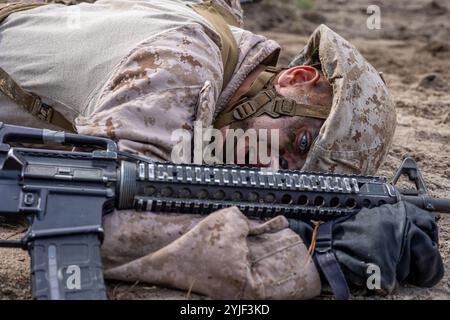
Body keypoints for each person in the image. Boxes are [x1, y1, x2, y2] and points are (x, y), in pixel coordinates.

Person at [0, 0, 442, 300]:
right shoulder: (184, 68)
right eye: (300, 139)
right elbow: (102, 220)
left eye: (292, 173)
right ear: (295, 78)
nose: (269, 165)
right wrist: (320, 254)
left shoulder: (215, 24)